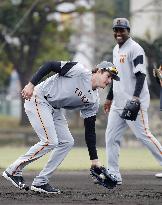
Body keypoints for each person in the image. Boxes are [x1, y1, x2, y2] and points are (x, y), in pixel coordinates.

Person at [2, 60, 119, 194]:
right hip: (39, 98)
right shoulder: (78, 70)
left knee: (67, 142)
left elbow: (90, 130)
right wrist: (30, 84)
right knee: (50, 141)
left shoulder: (93, 100)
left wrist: (94, 160)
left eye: (112, 79)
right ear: (98, 71)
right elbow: (50, 65)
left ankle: (41, 182)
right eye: (108, 76)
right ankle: (13, 170)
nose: (109, 81)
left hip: (55, 109)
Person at [104, 17, 162, 185]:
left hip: (135, 102)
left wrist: (136, 98)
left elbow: (141, 75)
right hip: (118, 104)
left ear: (128, 31)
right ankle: (114, 174)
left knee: (144, 135)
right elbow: (115, 76)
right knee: (111, 137)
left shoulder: (135, 49)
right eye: (116, 29)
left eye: (122, 30)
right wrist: (109, 98)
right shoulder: (116, 49)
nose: (118, 33)